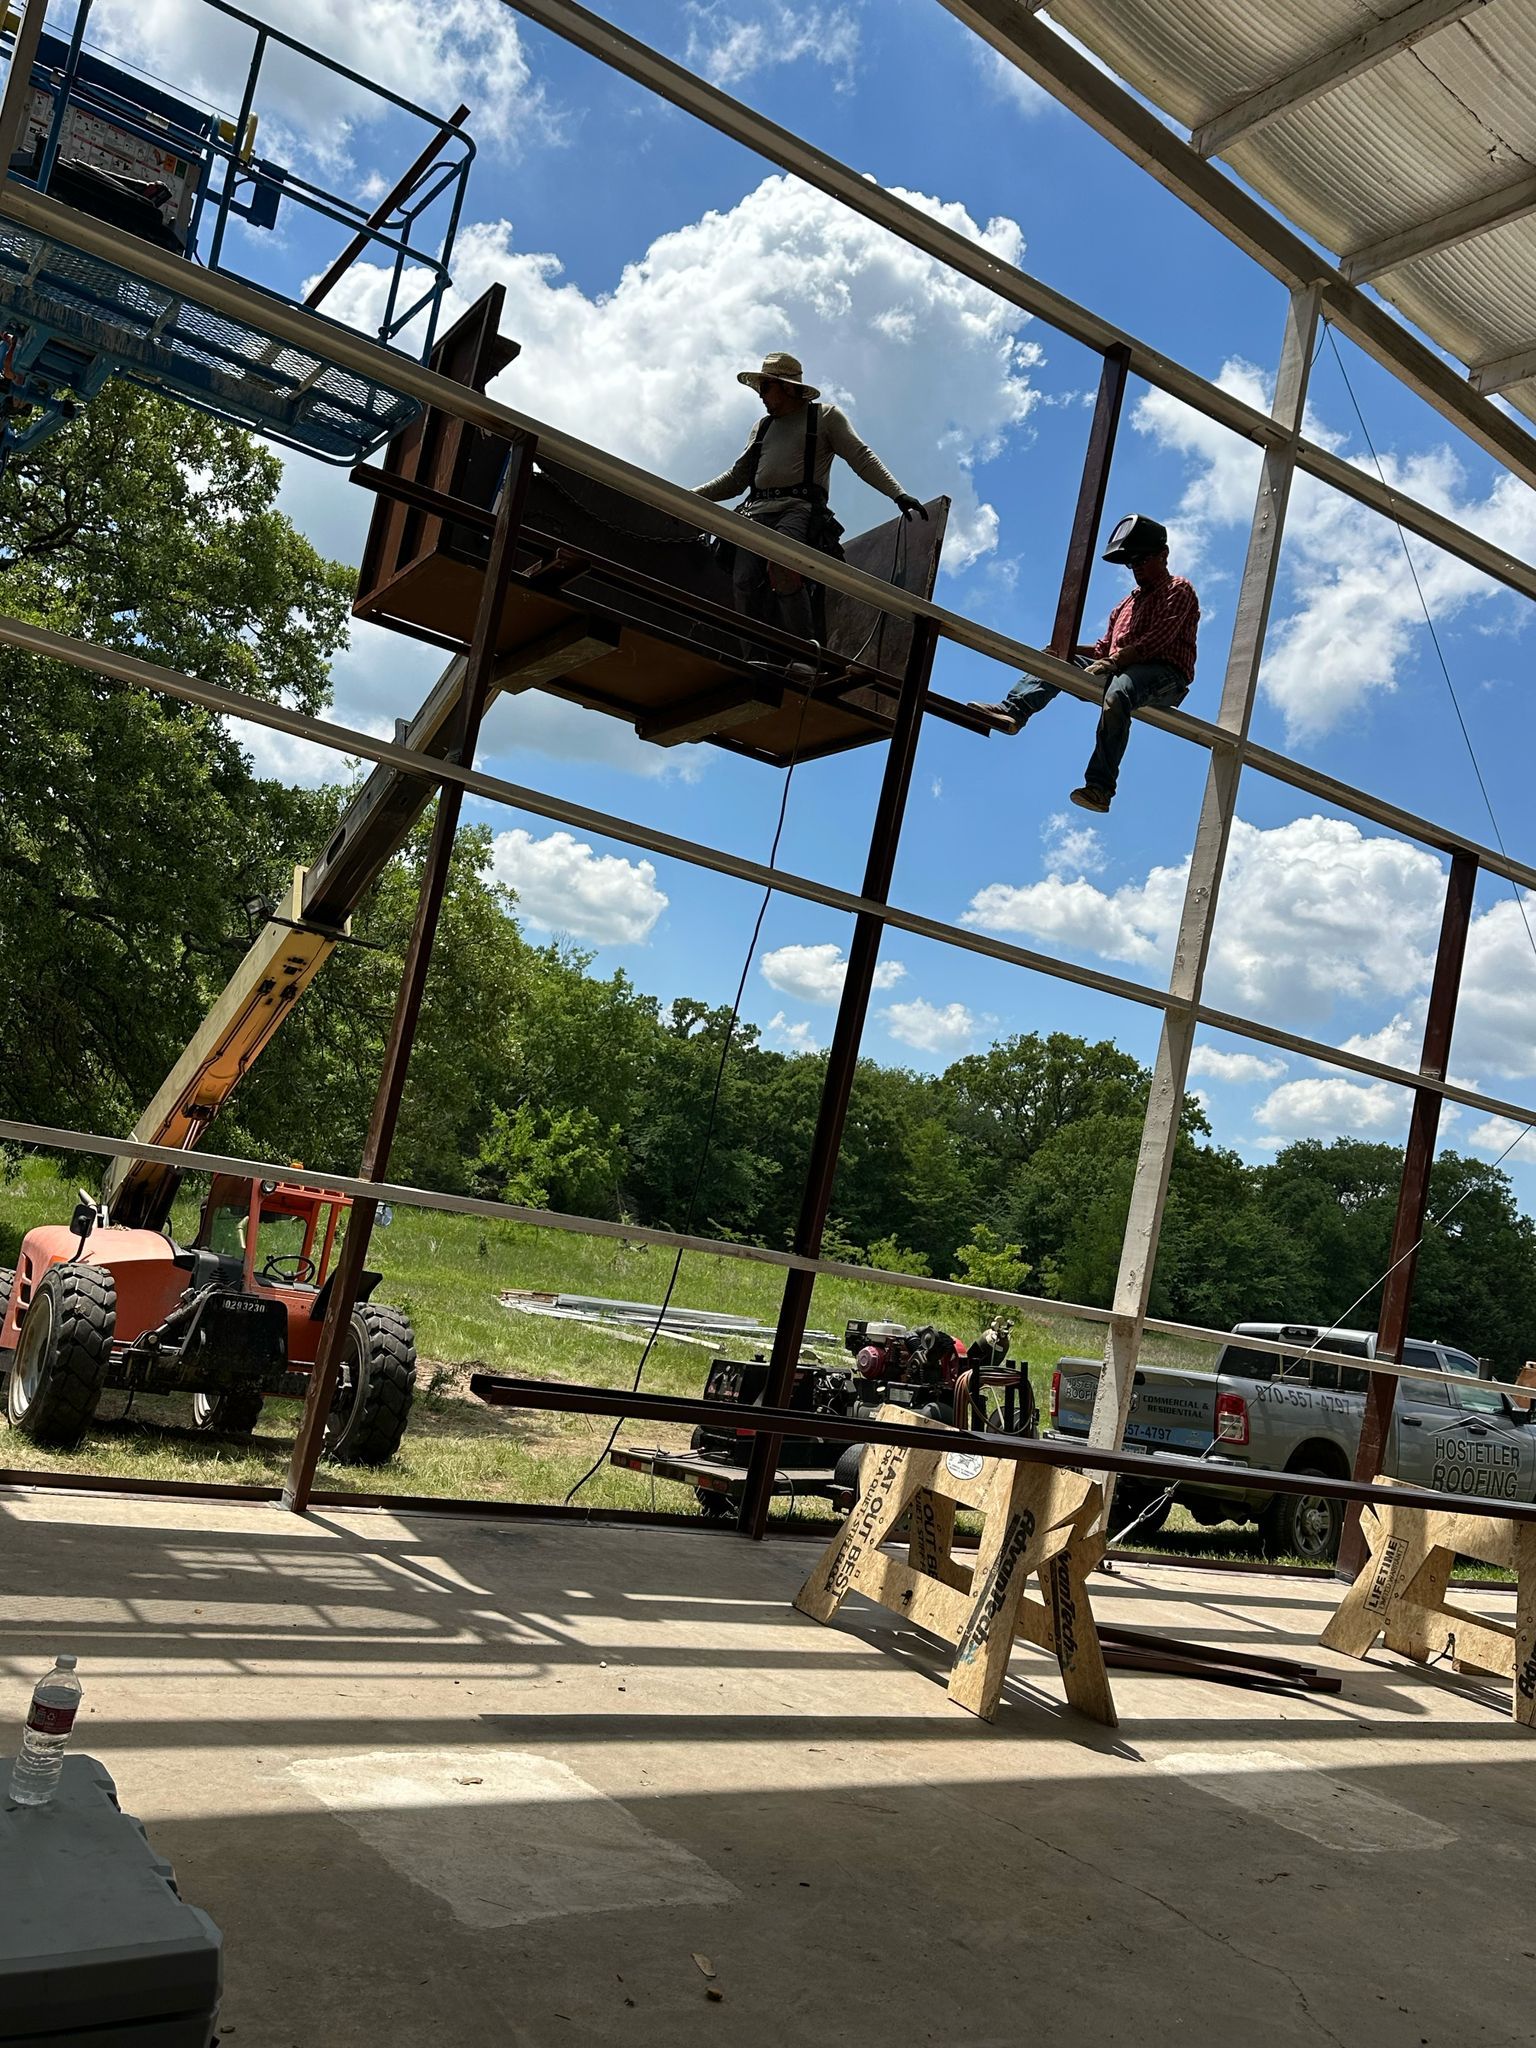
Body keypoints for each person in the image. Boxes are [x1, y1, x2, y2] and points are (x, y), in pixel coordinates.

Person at [695, 350, 927, 654]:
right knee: (743, 579)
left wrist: (897, 493)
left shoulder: (825, 418)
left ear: (787, 387)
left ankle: (805, 653)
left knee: (783, 565)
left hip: (798, 510)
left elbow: (861, 456)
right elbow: (736, 478)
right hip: (755, 513)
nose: (761, 395)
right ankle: (753, 658)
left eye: (766, 386)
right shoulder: (762, 427)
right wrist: (692, 496)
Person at [972, 513, 1199, 813]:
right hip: (1122, 668)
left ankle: (1100, 787)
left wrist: (1114, 661)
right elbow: (1104, 649)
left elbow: (1157, 640)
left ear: (1163, 555)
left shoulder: (1178, 589)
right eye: (1131, 563)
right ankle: (1013, 711)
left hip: (1165, 674)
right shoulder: (1127, 604)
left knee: (1119, 693)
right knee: (1057, 661)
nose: (1137, 568)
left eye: (1143, 560)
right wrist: (1064, 648)